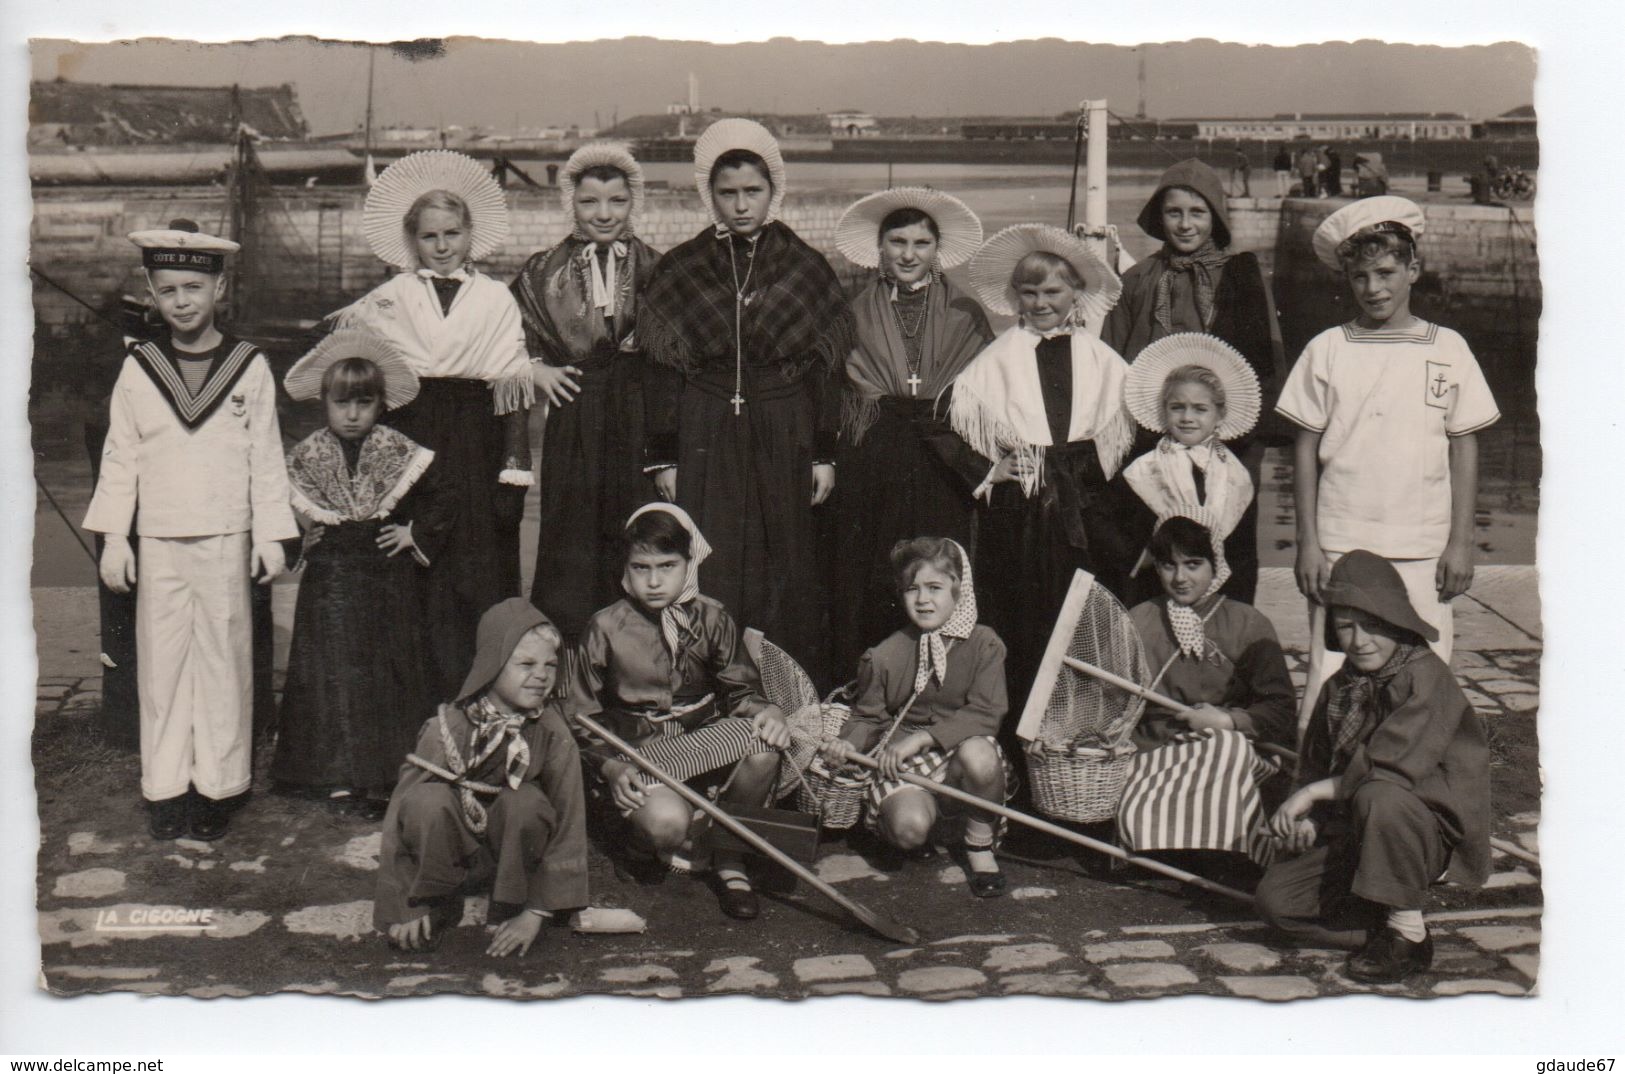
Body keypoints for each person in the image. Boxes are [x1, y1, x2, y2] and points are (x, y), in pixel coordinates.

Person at [82, 219, 297, 841]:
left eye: (194, 288)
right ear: (151, 295)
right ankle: (167, 787)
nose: (182, 301)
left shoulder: (249, 366)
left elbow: (266, 455)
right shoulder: (139, 367)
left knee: (224, 661)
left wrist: (270, 535)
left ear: (219, 289)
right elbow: (122, 456)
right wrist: (116, 538)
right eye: (168, 289)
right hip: (159, 537)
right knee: (162, 664)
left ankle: (219, 787)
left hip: (227, 535)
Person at [639, 118, 854, 687]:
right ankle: (708, 683)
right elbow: (661, 369)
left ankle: (789, 688)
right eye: (727, 193)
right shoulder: (680, 267)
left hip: (784, 421)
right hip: (705, 420)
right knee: (712, 550)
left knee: (783, 549)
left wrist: (824, 453)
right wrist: (664, 457)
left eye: (752, 192)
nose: (740, 205)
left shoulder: (804, 265)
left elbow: (827, 370)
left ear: (772, 192)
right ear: (710, 195)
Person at [1276, 197, 1499, 731]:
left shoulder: (1448, 347)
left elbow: (1463, 444)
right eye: (1360, 277)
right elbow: (1304, 446)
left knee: (1426, 664)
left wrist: (1460, 542)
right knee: (1333, 665)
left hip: (1421, 540)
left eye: (1386, 273)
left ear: (1412, 269)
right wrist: (1308, 541)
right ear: (1346, 280)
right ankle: (1322, 785)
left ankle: (1418, 788)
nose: (1374, 288)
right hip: (1341, 537)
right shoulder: (1327, 348)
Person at [329, 150, 534, 701]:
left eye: (452, 233)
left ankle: (478, 697)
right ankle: (416, 704)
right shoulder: (388, 300)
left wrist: (513, 476)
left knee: (477, 571)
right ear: (411, 240)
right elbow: (365, 383)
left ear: (470, 234)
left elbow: (513, 391)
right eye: (429, 237)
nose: (442, 247)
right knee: (414, 570)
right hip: (411, 434)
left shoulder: (495, 299)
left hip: (477, 440)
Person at [1254, 551, 1489, 983]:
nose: (1360, 640)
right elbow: (1313, 765)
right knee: (1277, 904)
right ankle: (1382, 927)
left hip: (1419, 826)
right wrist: (1308, 815)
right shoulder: (1339, 688)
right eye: (1346, 626)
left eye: (1374, 625)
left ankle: (1408, 933)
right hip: (1353, 825)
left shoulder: (1425, 676)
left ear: (1398, 622)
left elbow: (1390, 766)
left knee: (1379, 794)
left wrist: (1314, 794)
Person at [566, 503, 791, 921]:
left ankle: (728, 858)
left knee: (764, 747)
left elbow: (741, 689)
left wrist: (769, 711)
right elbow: (581, 714)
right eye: (641, 567)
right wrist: (611, 768)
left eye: (667, 566)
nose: (653, 581)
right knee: (670, 823)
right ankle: (638, 845)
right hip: (639, 752)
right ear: (626, 568)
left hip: (703, 744)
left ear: (689, 563)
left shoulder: (712, 617)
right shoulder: (605, 627)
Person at [949, 223, 1143, 703]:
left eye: (1053, 292)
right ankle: (1023, 730)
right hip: (1026, 507)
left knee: (1091, 611)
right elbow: (960, 424)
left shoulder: (1101, 358)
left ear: (1075, 292)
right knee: (1027, 614)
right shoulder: (997, 359)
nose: (1040, 304)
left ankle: (1090, 719)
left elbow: (1125, 435)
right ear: (1015, 297)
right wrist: (992, 468)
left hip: (1088, 501)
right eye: (1029, 293)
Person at [271, 332, 453, 814]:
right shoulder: (308, 454)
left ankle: (381, 774)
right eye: (342, 403)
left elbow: (440, 496)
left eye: (364, 403)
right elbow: (284, 506)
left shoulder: (397, 448)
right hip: (329, 580)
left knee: (385, 673)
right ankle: (334, 775)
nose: (352, 414)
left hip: (386, 575)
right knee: (329, 673)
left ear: (380, 404)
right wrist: (298, 537)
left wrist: (414, 533)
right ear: (324, 403)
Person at [1101, 159, 1286, 603]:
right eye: (1174, 213)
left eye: (1197, 213)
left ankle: (1227, 646)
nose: (1185, 225)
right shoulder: (1138, 280)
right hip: (1150, 440)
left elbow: (1266, 361)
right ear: (1159, 218)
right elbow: (1110, 360)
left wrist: (1245, 442)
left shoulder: (1241, 277)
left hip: (1225, 441)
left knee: (1225, 547)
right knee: (1153, 551)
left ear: (1216, 217)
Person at [829, 187, 993, 676]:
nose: (908, 254)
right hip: (876, 453)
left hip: (945, 455)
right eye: (897, 242)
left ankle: (947, 678)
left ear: (936, 250)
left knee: (941, 562)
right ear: (879, 248)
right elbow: (843, 389)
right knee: (878, 563)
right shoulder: (853, 312)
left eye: (921, 243)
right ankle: (877, 676)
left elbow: (987, 388)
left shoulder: (967, 312)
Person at [375, 599, 589, 957]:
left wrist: (537, 912)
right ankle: (433, 899)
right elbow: (399, 816)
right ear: (492, 665)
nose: (541, 675)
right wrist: (403, 906)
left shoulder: (551, 730)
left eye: (551, 665)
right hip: (451, 853)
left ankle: (510, 905)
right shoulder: (449, 726)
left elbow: (569, 817)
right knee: (425, 801)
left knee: (527, 802)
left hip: (513, 859)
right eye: (525, 664)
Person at [511, 142, 662, 643]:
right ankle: (570, 655)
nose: (604, 214)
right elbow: (506, 338)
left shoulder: (657, 267)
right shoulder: (542, 271)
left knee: (635, 529)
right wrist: (537, 371)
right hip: (575, 412)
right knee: (570, 535)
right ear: (570, 204)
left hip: (636, 412)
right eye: (589, 202)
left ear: (632, 202)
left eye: (616, 202)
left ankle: (637, 655)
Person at [820, 538, 1011, 897]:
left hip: (959, 753)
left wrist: (924, 738)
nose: (923, 600)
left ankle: (979, 845)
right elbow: (869, 717)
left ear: (959, 590)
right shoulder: (887, 654)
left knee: (981, 756)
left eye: (935, 588)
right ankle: (931, 829)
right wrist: (847, 743)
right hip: (904, 762)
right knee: (908, 829)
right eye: (912, 590)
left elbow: (986, 712)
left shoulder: (984, 644)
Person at [1117, 512, 1295, 863]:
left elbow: (1281, 710)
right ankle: (1169, 849)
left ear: (1216, 564)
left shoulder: (1247, 622)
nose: (1180, 578)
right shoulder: (1139, 619)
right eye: (1168, 565)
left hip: (1228, 751)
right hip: (1154, 752)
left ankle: (1223, 853)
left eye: (1193, 564)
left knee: (1225, 750)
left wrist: (1228, 721)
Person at [1121, 333, 1261, 602]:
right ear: (1164, 411)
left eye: (1199, 409)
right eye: (1177, 408)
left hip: (1221, 594)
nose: (1187, 418)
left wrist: (1237, 608)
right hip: (1154, 590)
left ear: (1219, 415)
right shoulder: (1142, 469)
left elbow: (1243, 555)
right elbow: (1123, 538)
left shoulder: (1237, 476)